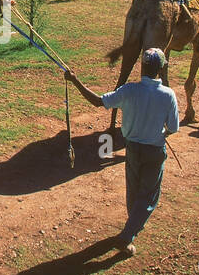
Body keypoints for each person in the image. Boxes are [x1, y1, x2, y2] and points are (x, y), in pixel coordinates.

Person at [64, 49, 179, 257]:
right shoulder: (168, 95)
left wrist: (75, 81)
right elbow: (173, 127)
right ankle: (127, 236)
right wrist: (163, 132)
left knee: (134, 192)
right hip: (154, 151)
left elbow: (98, 101)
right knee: (149, 196)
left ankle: (129, 231)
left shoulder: (129, 90)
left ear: (142, 67)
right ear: (162, 68)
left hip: (132, 150)